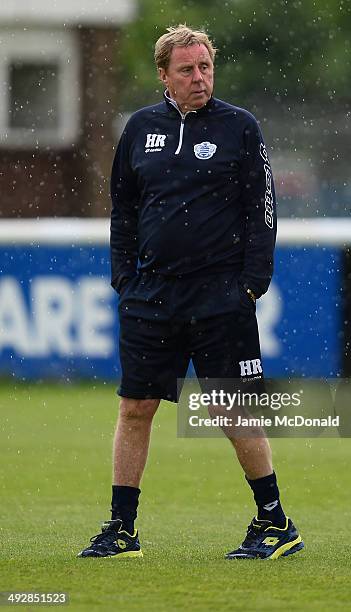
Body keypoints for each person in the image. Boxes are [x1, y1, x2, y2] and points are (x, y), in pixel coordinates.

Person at [78, 24, 303, 560]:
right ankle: (121, 528)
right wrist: (124, 279)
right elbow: (123, 211)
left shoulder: (240, 128)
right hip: (150, 297)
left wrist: (250, 285)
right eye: (187, 69)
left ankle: (274, 522)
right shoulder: (139, 129)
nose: (199, 78)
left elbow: (262, 210)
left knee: (231, 409)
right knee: (137, 407)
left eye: (205, 67)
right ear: (164, 75)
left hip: (220, 295)